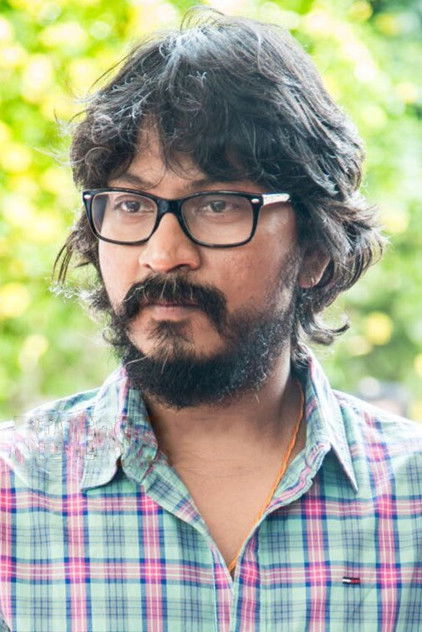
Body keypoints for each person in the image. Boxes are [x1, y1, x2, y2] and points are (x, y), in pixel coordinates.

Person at [0, 9, 421, 632]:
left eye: (218, 204)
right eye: (130, 203)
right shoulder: (14, 497)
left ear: (314, 249)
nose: (162, 253)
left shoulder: (410, 499)